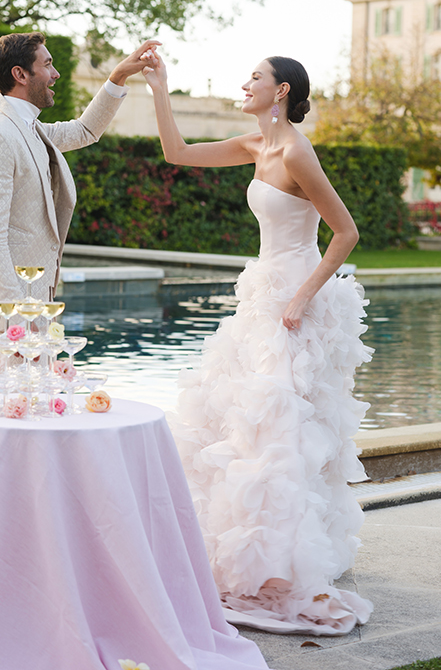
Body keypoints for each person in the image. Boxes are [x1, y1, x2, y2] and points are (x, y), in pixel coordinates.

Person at [140, 48, 374, 636]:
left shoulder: (296, 149)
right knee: (240, 420)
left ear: (283, 91)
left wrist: (302, 298)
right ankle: (249, 553)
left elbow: (345, 233)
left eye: (256, 77)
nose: (246, 83)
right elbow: (176, 153)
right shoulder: (252, 144)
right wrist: (160, 88)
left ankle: (282, 562)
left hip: (294, 302)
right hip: (260, 295)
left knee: (280, 429)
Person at [0, 33, 159, 335]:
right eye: (48, 65)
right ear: (20, 74)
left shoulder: (29, 128)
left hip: (34, 304)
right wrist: (17, 320)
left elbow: (85, 130)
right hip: (8, 314)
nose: (56, 74)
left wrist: (118, 76)